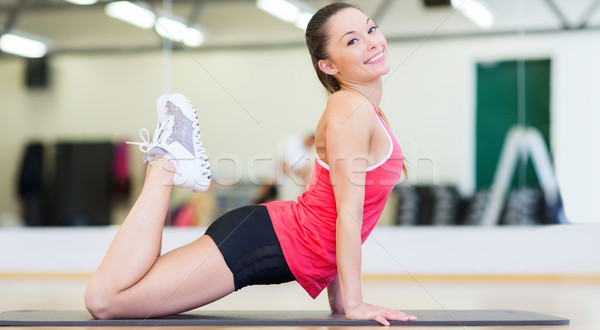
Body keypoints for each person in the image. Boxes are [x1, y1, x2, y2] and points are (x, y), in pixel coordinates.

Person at [84, 3, 414, 326]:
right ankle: (166, 165)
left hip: (268, 235)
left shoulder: (364, 111)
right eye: (352, 40)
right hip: (260, 242)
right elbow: (349, 214)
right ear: (328, 65)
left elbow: (331, 206)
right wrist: (354, 304)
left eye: (371, 29)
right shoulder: (351, 110)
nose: (372, 41)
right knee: (105, 302)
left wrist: (341, 301)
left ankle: (167, 164)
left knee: (106, 297)